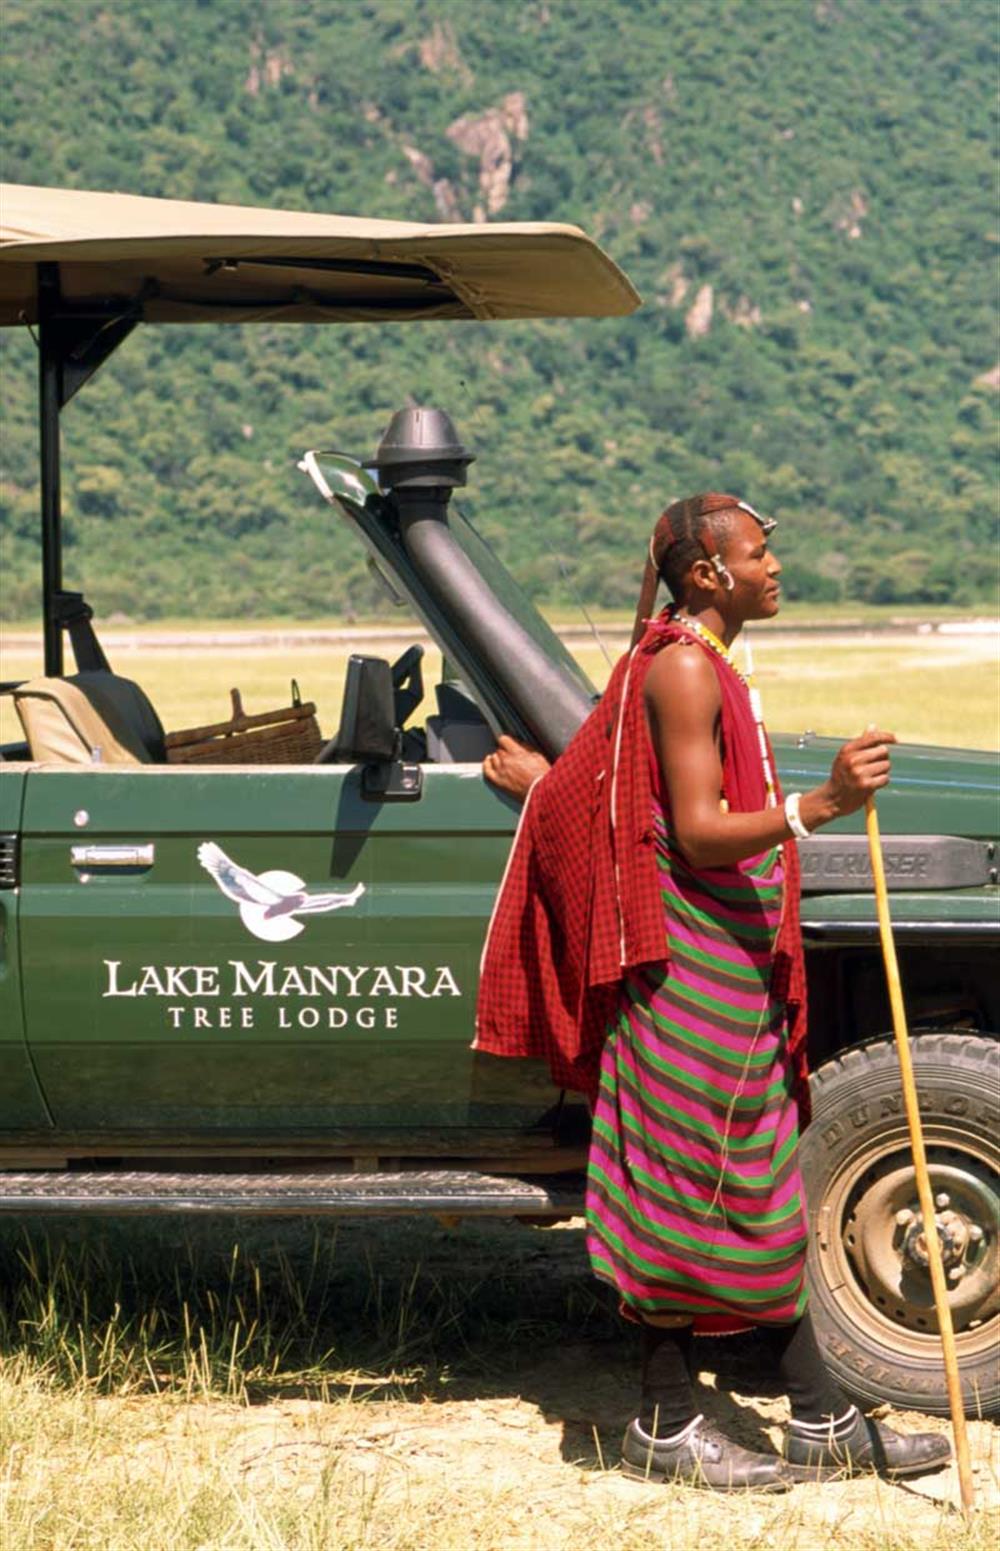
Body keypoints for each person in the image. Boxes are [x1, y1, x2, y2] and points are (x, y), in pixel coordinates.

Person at [475, 493, 952, 1491]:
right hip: (688, 975)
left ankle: (819, 1419)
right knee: (684, 1195)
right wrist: (823, 804)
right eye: (758, 553)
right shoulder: (687, 666)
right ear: (707, 574)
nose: (774, 566)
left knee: (758, 1187)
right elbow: (693, 830)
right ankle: (662, 1423)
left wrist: (543, 782)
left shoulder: (710, 658)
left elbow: (619, 790)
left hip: (726, 967)